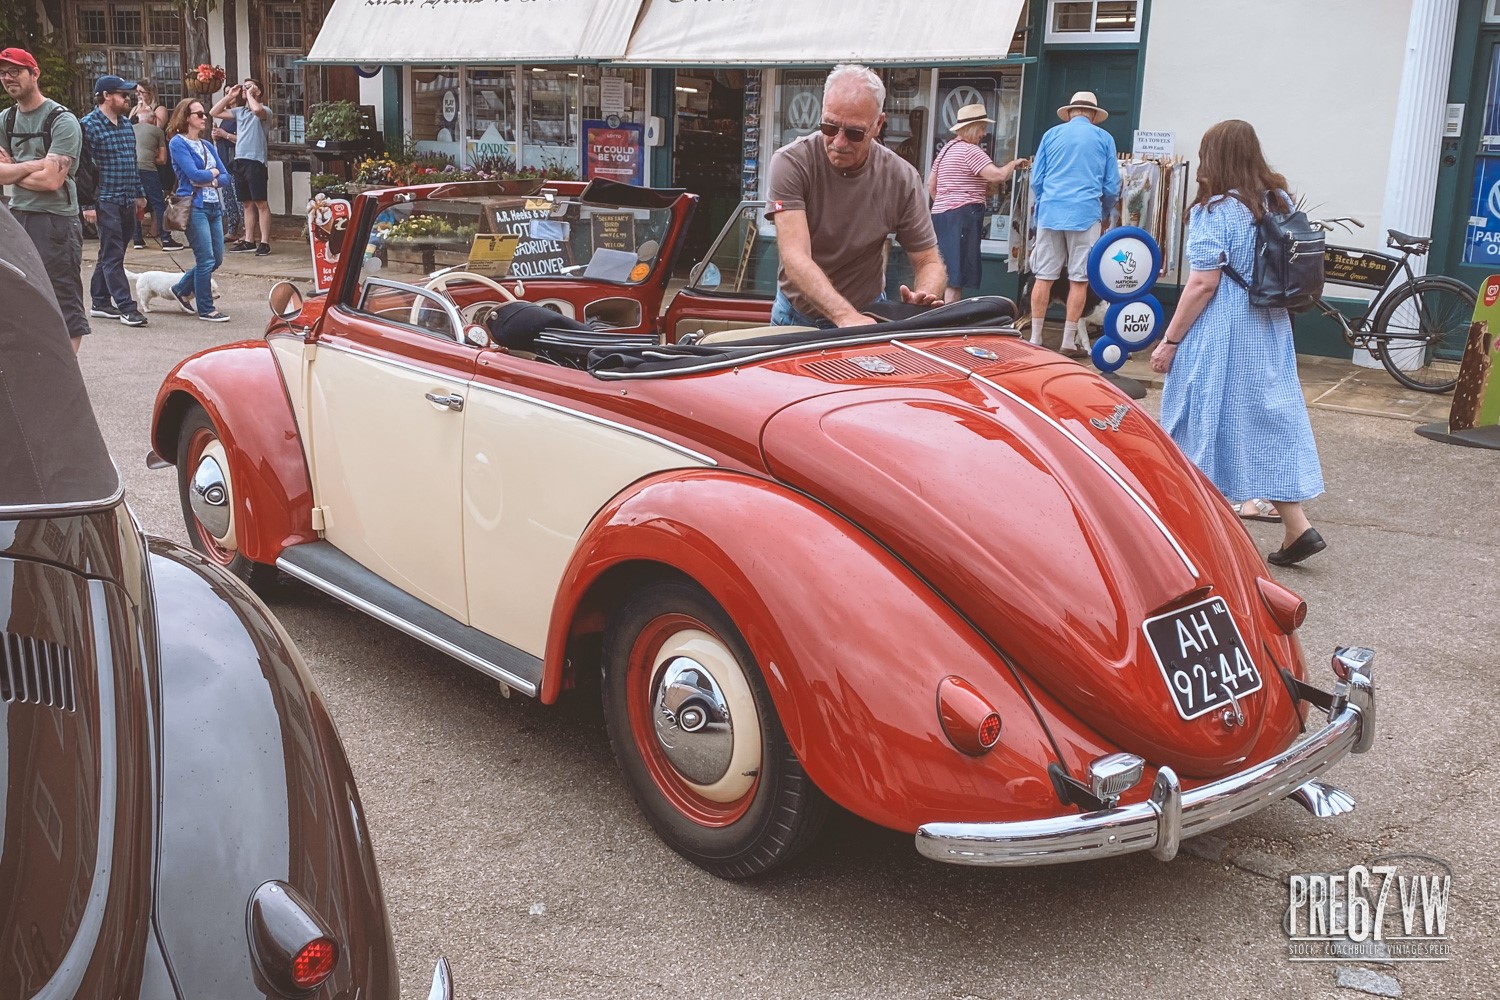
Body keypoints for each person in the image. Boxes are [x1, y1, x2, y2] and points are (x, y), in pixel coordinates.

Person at [1148, 120, 1326, 567]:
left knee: (1199, 414)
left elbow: (1203, 284)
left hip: (1222, 329)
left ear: (1214, 160)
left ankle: (1197, 533)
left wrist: (1170, 340)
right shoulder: (1276, 201)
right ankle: (1296, 527)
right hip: (1269, 326)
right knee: (1266, 419)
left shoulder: (1215, 210)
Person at [766, 64, 944, 327]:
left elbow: (929, 260)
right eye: (829, 127)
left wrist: (924, 295)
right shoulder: (792, 162)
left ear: (878, 125)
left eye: (854, 133)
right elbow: (795, 258)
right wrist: (845, 316)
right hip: (796, 317)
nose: (839, 141)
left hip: (868, 315)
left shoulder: (901, 178)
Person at [0, 47, 91, 351]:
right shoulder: (5, 120)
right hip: (17, 218)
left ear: (34, 74)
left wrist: (12, 166)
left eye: (15, 71)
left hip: (55, 224)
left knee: (62, 300)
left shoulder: (61, 120)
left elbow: (52, 180)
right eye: (3, 73)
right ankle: (38, 372)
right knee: (21, 300)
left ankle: (66, 381)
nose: (7, 78)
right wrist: (31, 165)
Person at [1027, 90, 1120, 357]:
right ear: (1092, 115)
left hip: (1051, 211)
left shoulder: (1051, 135)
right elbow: (1111, 184)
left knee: (1044, 276)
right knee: (1079, 279)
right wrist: (1103, 210)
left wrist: (1044, 206)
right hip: (1085, 212)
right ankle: (1068, 342)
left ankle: (1035, 337)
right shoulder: (1104, 138)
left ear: (1070, 113)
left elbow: (1037, 179)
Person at [928, 103, 1026, 303]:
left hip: (941, 215)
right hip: (962, 215)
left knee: (944, 270)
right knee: (956, 275)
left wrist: (946, 201)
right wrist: (1013, 165)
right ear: (972, 128)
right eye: (982, 127)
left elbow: (931, 185)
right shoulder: (970, 151)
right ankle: (947, 322)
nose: (984, 133)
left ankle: (934, 317)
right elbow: (997, 176)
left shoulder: (946, 149)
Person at [80, 75, 150, 327]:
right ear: (106, 96)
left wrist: (140, 193)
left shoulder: (124, 124)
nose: (127, 99)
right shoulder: (88, 125)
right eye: (122, 94)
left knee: (112, 253)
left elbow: (132, 162)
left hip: (127, 197)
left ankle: (99, 301)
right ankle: (127, 307)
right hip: (105, 199)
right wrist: (87, 204)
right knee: (112, 254)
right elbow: (84, 169)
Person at [166, 96, 232, 322]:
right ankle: (206, 308)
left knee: (217, 260)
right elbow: (193, 176)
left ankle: (181, 288)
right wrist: (211, 174)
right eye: (199, 114)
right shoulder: (177, 143)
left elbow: (226, 177)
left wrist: (211, 178)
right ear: (186, 117)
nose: (204, 118)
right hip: (194, 206)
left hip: (214, 205)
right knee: (205, 259)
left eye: (204, 114)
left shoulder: (205, 145)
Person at [211, 79, 271, 255]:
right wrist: (229, 96)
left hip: (256, 161)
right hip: (240, 160)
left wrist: (251, 94)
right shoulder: (240, 112)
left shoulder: (264, 110)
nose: (245, 89)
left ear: (258, 92)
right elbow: (214, 112)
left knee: (261, 203)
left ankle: (265, 242)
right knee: (246, 203)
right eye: (245, 86)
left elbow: (258, 110)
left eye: (250, 86)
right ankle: (249, 239)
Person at [130, 93, 183, 251]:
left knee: (136, 203)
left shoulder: (130, 129)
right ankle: (166, 239)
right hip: (148, 169)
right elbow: (163, 159)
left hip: (131, 169)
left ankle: (137, 239)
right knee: (158, 204)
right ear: (153, 119)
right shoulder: (157, 132)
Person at [211, 112, 245, 248]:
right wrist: (215, 136)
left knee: (240, 200)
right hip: (224, 162)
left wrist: (224, 134)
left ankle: (245, 231)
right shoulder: (225, 119)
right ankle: (232, 230)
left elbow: (243, 139)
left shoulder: (240, 117)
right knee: (228, 198)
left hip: (236, 162)